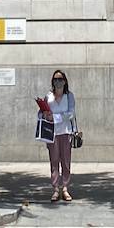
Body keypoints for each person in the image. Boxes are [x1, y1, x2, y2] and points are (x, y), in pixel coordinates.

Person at [39, 70, 76, 203]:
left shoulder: (69, 96)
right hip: (52, 133)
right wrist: (44, 114)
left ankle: (65, 187)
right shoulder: (48, 96)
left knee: (65, 161)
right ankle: (55, 189)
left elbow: (71, 113)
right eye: (55, 79)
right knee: (54, 161)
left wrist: (54, 117)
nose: (58, 82)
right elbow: (41, 113)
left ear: (65, 81)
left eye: (60, 79)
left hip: (66, 132)